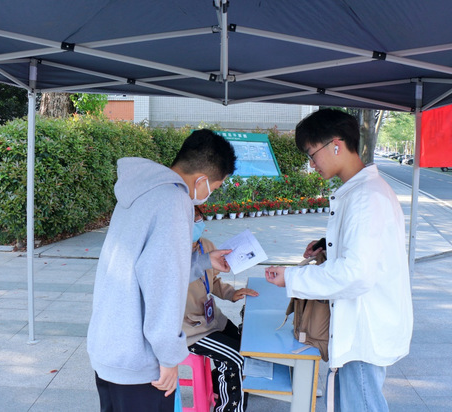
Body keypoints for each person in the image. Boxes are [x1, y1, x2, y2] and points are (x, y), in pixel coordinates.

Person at [264, 109, 413, 411]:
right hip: (361, 324)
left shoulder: (365, 197)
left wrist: (290, 277)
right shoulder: (362, 191)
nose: (312, 163)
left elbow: (354, 273)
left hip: (364, 329)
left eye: (312, 153)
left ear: (335, 144)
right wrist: (326, 247)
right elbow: (365, 249)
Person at [87, 129, 237, 412]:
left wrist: (204, 261)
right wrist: (169, 358)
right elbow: (162, 286)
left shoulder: (140, 190)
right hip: (138, 358)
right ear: (202, 180)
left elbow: (146, 267)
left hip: (110, 345)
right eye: (214, 188)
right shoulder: (174, 201)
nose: (209, 196)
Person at [183, 206, 258, 412]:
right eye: (190, 218)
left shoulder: (206, 246)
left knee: (246, 346)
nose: (196, 223)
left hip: (211, 318)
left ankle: (221, 383)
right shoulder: (170, 252)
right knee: (235, 358)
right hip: (188, 330)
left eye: (198, 217)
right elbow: (173, 279)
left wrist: (231, 293)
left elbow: (213, 280)